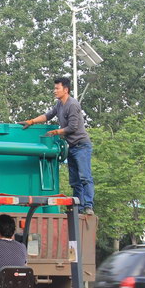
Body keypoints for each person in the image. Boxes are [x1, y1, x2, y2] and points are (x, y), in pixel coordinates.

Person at [19, 77, 95, 214]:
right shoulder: (60, 104)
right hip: (71, 147)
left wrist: (55, 132)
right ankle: (78, 208)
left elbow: (72, 127)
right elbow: (48, 115)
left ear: (66, 90)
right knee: (75, 180)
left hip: (81, 145)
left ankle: (88, 206)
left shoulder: (72, 105)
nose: (54, 91)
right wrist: (31, 121)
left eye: (57, 88)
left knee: (84, 177)